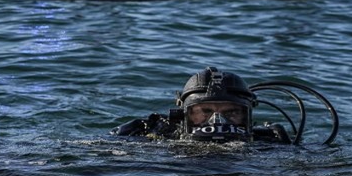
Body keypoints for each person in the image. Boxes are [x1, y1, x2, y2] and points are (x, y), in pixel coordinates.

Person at [111, 66, 340, 145]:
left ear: (248, 116)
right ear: (183, 113)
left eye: (231, 112)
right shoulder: (149, 130)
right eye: (205, 111)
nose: (217, 121)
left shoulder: (269, 140)